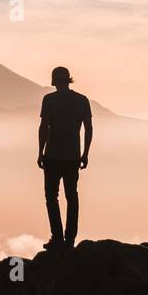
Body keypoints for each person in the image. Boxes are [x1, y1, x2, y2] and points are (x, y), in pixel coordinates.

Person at [37, 67, 92, 250]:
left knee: (51, 197)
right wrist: (85, 153)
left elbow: (44, 127)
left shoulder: (49, 100)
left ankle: (57, 238)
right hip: (72, 156)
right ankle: (69, 240)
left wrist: (40, 152)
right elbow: (89, 128)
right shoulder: (82, 100)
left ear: (54, 81)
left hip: (53, 155)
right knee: (72, 197)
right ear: (69, 80)